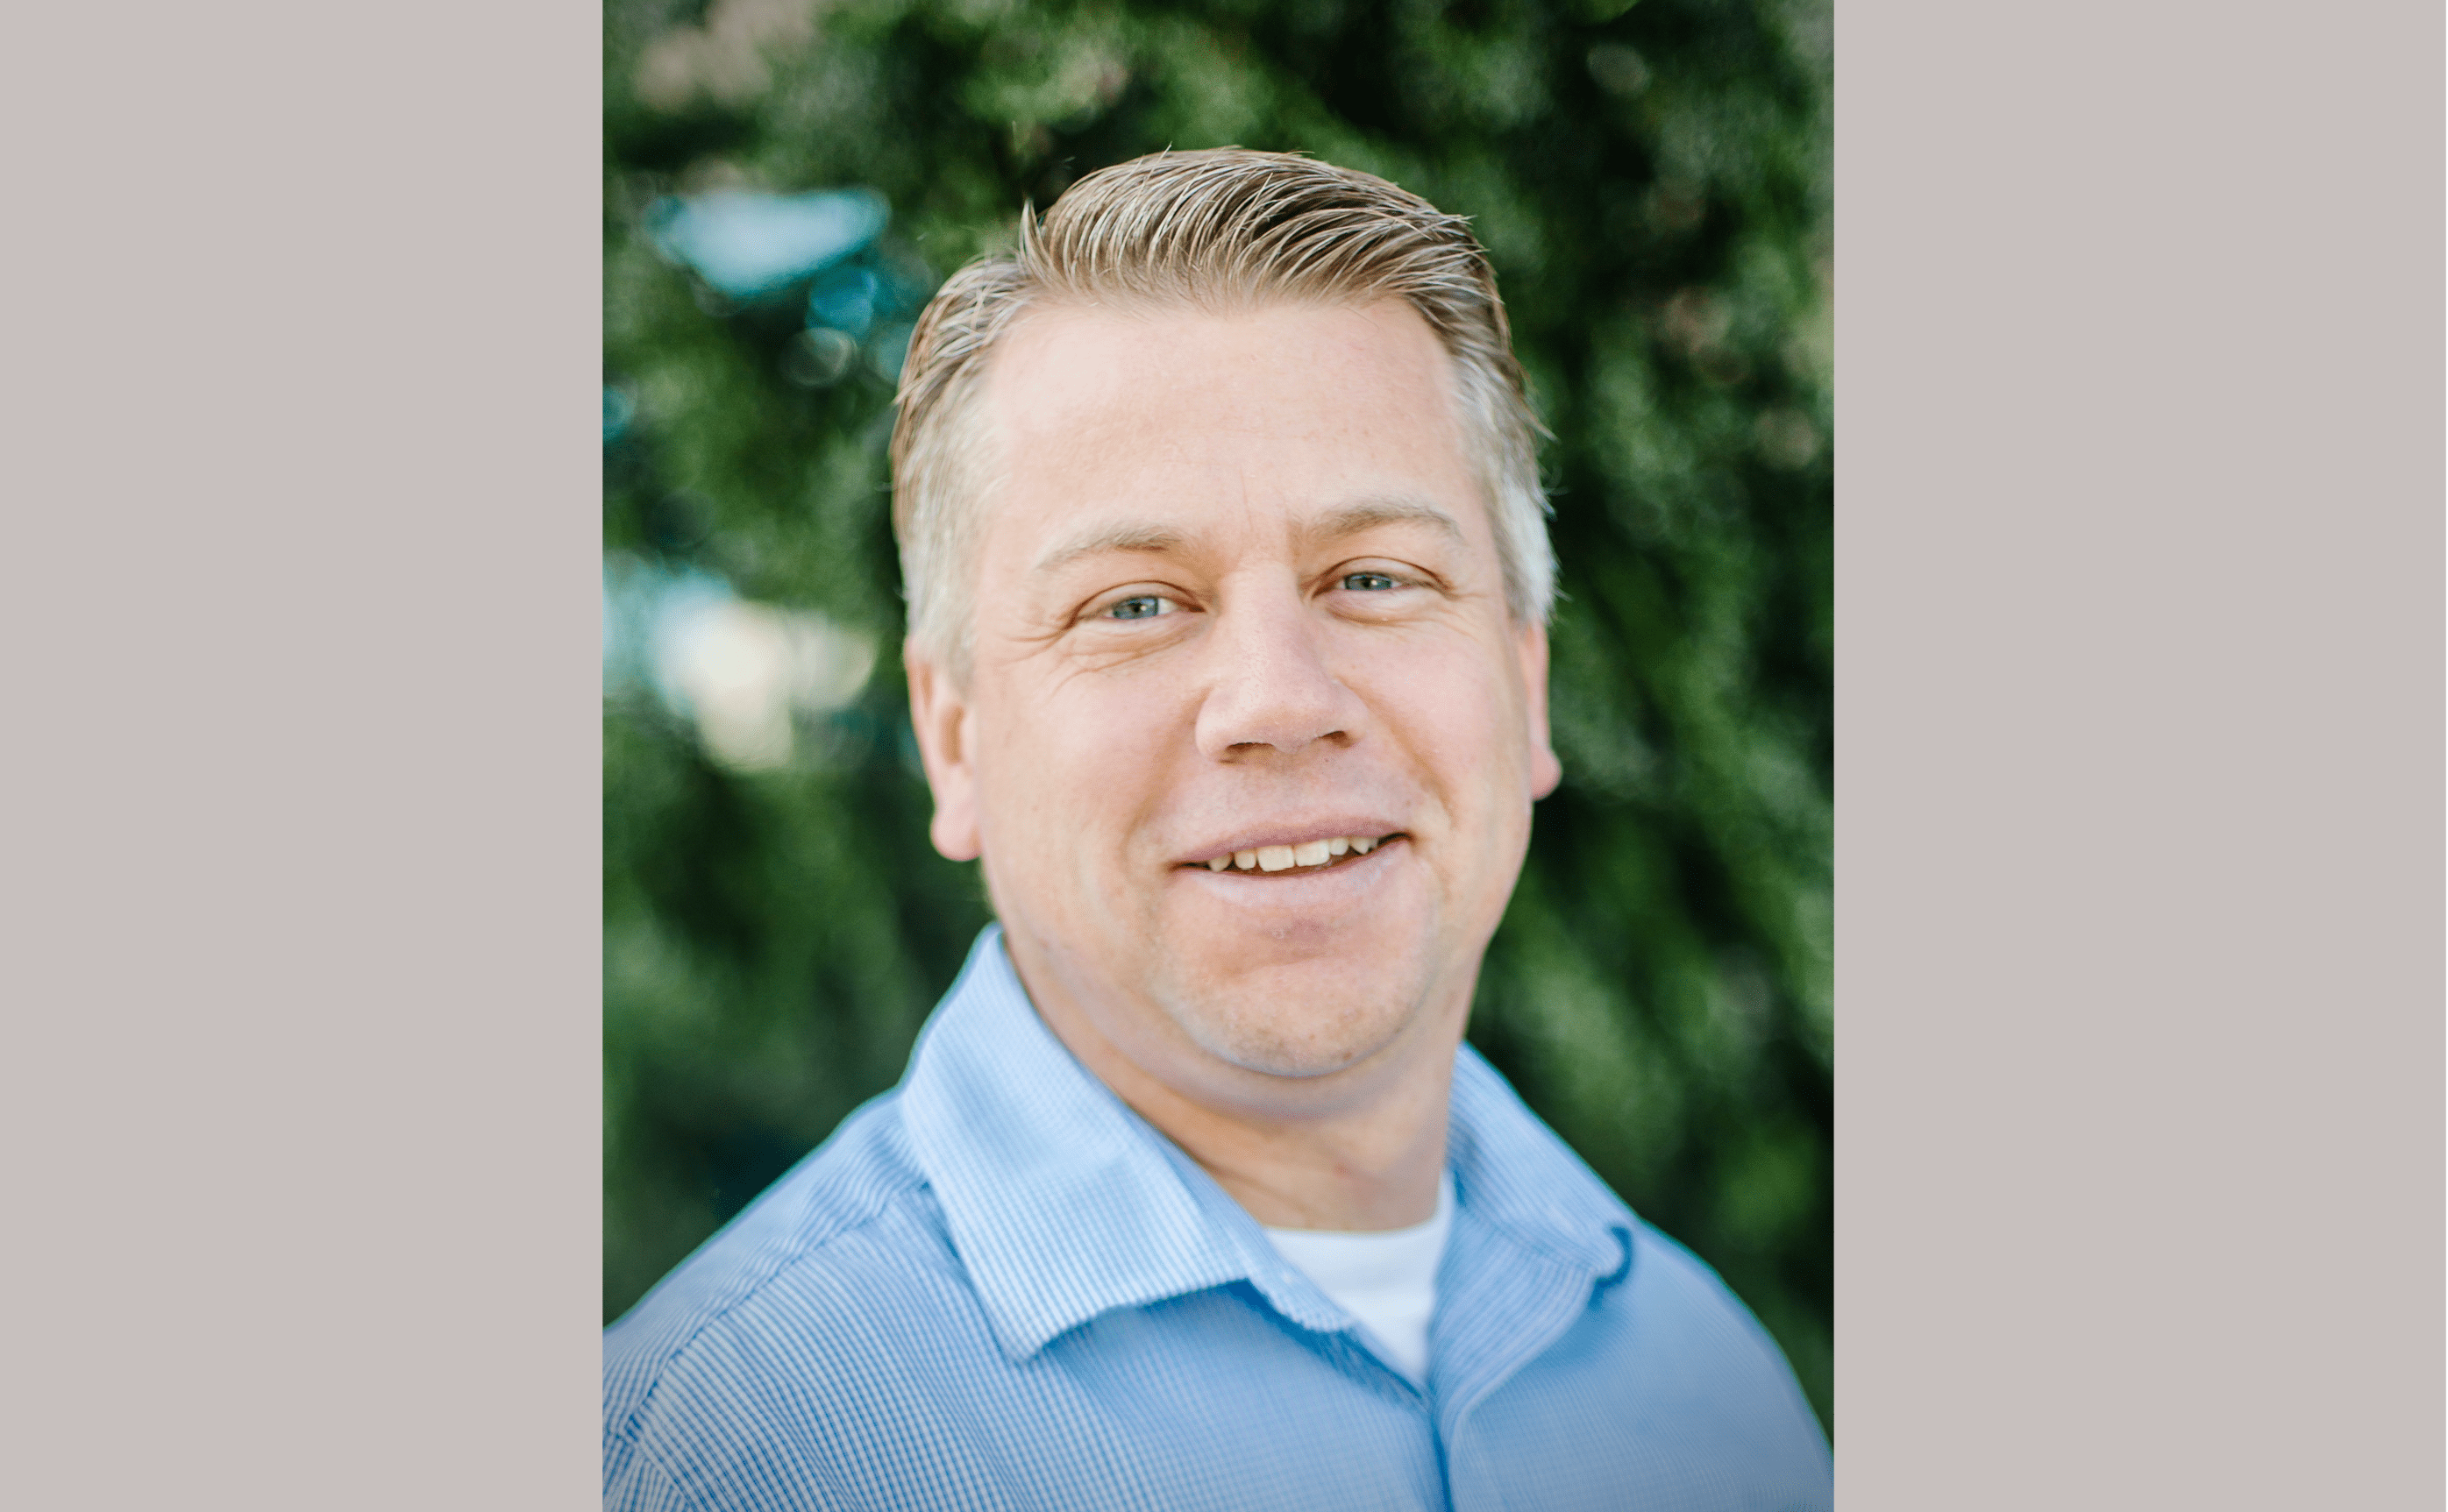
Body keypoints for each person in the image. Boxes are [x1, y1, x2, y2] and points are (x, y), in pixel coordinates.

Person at [603, 148, 1832, 1512]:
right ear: (955, 738)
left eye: (1376, 577)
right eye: (1134, 603)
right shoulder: (717, 1452)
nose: (1279, 703)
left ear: (1525, 686)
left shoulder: (1712, 1389)